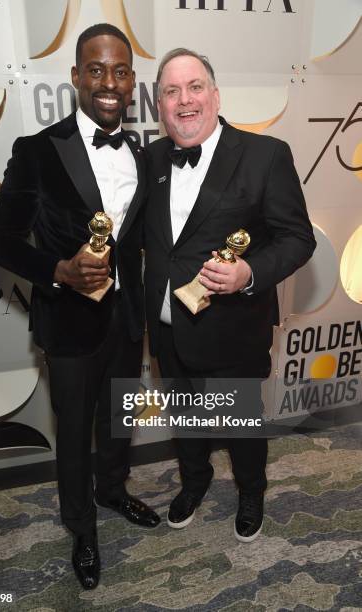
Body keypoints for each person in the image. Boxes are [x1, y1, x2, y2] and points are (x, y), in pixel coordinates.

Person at [0, 23, 160, 590]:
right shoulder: (37, 151)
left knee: (117, 419)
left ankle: (112, 491)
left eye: (119, 72)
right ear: (76, 78)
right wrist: (57, 270)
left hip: (126, 316)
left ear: (132, 82)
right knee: (76, 429)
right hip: (68, 321)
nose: (108, 83)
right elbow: (2, 242)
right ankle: (81, 527)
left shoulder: (142, 150)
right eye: (95, 70)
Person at [144, 48, 316, 542]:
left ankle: (250, 492)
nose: (184, 100)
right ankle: (194, 482)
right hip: (168, 326)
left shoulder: (266, 154)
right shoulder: (151, 158)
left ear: (216, 96)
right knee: (185, 420)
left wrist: (249, 272)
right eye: (171, 91)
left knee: (242, 424)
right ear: (160, 106)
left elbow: (297, 239)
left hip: (232, 328)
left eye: (194, 87)